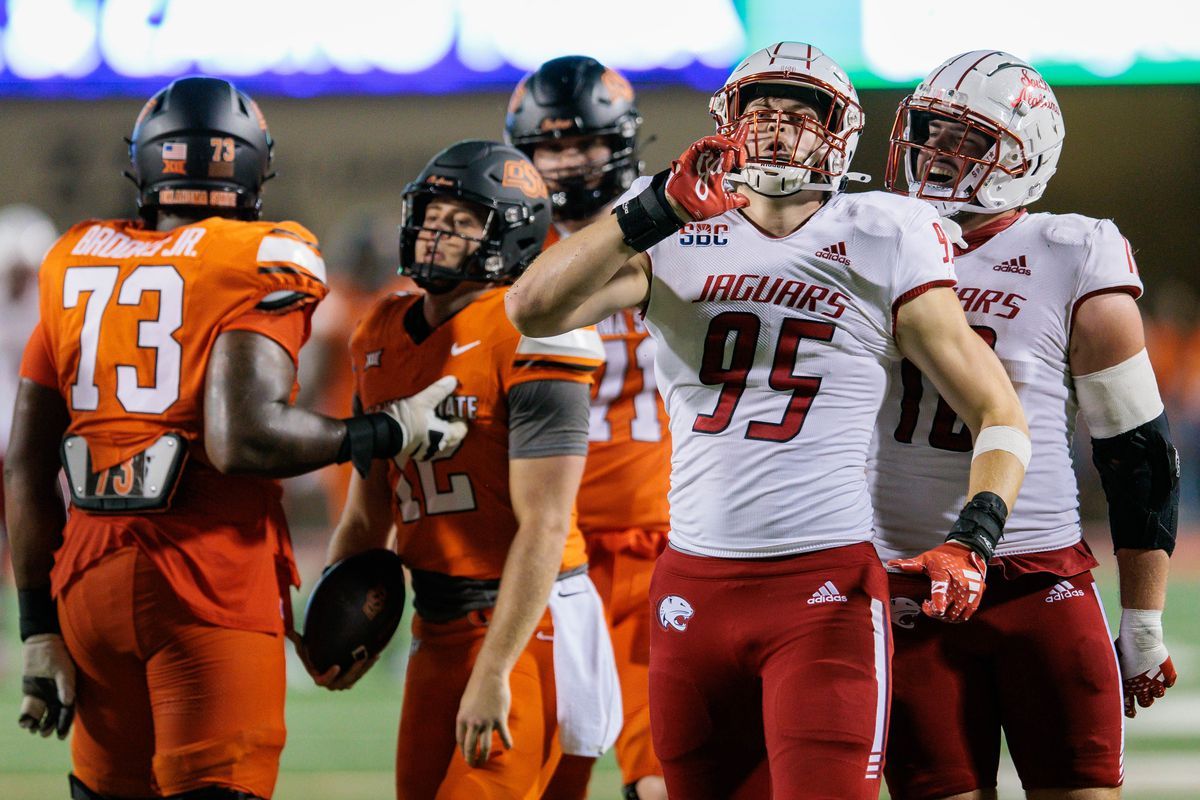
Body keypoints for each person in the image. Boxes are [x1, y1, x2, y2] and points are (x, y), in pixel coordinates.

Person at [506, 41, 1029, 799]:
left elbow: (996, 408)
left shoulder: (886, 230)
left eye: (799, 114)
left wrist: (975, 535)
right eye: (760, 112)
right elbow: (532, 307)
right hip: (691, 582)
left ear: (839, 132)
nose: (777, 129)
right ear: (726, 123)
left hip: (823, 588)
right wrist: (653, 210)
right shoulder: (674, 220)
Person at [5, 76, 461, 800]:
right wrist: (387, 430)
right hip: (207, 577)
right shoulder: (261, 252)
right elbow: (242, 438)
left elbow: (26, 461)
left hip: (86, 582)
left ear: (145, 164)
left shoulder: (74, 258)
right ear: (254, 167)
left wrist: (37, 626)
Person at [870, 50, 1179, 800]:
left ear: (1024, 158)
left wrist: (1141, 621)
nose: (939, 154)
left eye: (967, 141)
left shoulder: (1070, 252)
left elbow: (1137, 455)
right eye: (932, 132)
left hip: (1036, 577)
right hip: (910, 579)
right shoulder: (866, 234)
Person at [303, 139, 618, 799]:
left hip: (530, 619)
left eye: (462, 220)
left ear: (512, 232)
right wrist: (334, 614)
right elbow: (367, 512)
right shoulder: (379, 330)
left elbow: (546, 522)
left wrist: (497, 667)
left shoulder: (536, 327)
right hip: (435, 620)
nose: (436, 232)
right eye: (431, 214)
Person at [506, 55, 669, 800]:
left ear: (622, 142)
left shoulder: (677, 233)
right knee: (541, 770)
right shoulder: (505, 247)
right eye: (551, 147)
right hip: (546, 547)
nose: (568, 162)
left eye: (585, 144)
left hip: (657, 536)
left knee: (663, 773)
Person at [0, 205, 57, 677]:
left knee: (39, 537)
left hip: (31, 440)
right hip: (8, 437)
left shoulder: (49, 308)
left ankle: (43, 630)